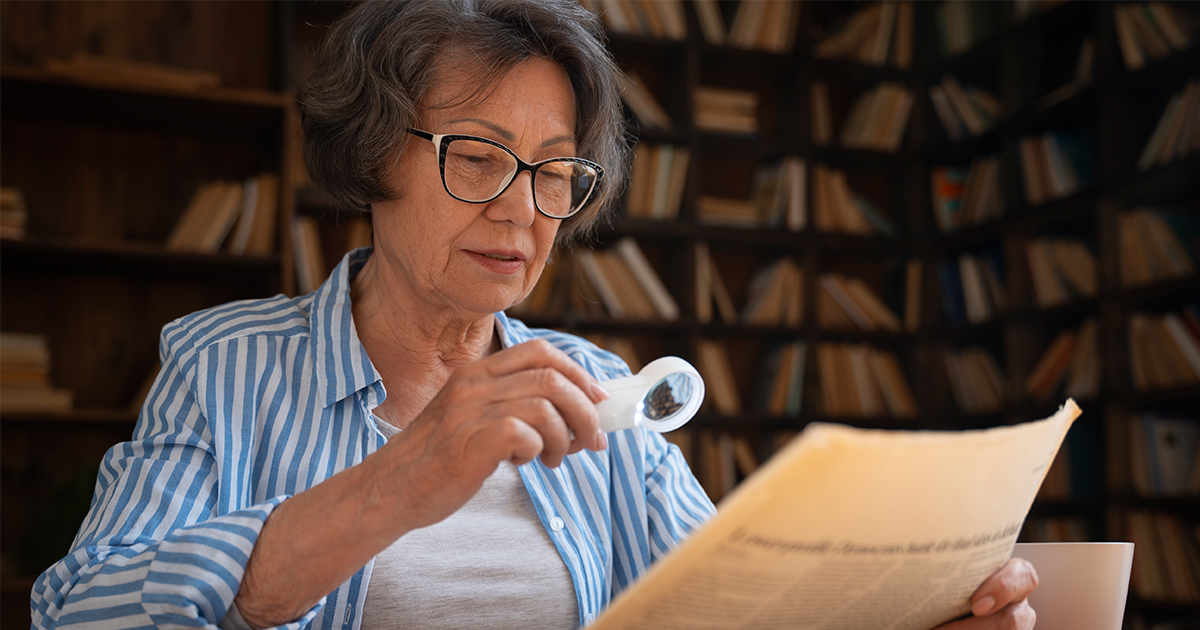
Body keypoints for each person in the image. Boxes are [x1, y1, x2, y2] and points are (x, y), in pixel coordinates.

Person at [30, 2, 1038, 629]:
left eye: (555, 171)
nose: (522, 209)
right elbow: (76, 611)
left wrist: (925, 615)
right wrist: (398, 483)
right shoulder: (226, 363)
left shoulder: (596, 387)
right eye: (477, 156)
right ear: (372, 155)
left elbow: (736, 609)